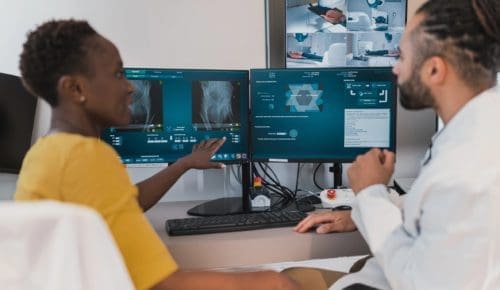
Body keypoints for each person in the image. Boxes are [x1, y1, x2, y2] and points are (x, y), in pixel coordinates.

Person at [14, 19, 301, 290]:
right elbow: (161, 284)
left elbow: (128, 202)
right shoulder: (87, 155)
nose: (129, 87)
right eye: (117, 74)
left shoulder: (45, 152)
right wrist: (272, 282)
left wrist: (184, 163)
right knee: (280, 278)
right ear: (74, 88)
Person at [295, 0, 500, 289]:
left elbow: (422, 283)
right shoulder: (476, 129)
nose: (395, 69)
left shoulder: (472, 167)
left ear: (434, 70)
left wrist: (369, 193)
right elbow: (437, 208)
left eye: (402, 57)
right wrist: (360, 212)